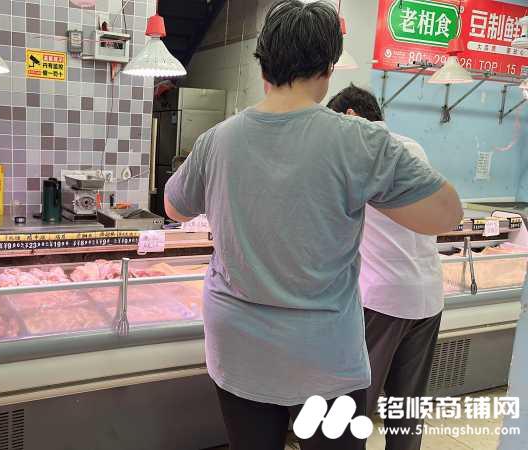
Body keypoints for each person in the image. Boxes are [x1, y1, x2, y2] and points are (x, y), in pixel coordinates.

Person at [163, 1, 463, 449]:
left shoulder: (216, 140)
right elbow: (446, 214)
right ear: (327, 69)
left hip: (238, 349)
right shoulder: (360, 141)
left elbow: (174, 208)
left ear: (262, 66)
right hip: (324, 356)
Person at [328, 84, 444, 450]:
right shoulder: (412, 147)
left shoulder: (359, 154)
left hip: (382, 300)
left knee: (355, 403)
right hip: (428, 296)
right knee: (406, 407)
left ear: (350, 117)